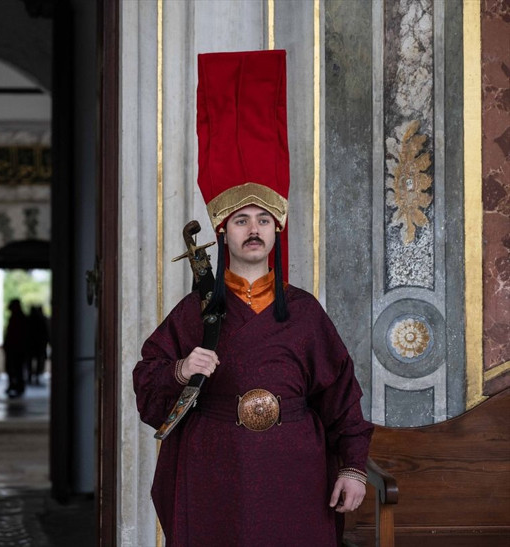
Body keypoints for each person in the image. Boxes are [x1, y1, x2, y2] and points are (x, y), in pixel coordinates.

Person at [132, 50, 373, 546]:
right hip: (213, 468)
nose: (253, 229)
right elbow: (147, 381)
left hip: (293, 472)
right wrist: (180, 370)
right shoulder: (197, 310)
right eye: (241, 220)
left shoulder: (303, 312)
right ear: (223, 233)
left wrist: (352, 467)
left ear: (277, 230)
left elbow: (341, 394)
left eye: (263, 219)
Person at [3, 298, 27, 398]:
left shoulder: (18, 318)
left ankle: (17, 386)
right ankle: (15, 385)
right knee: (16, 369)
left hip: (17, 348)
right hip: (16, 348)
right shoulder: (18, 318)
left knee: (17, 369)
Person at [26, 305, 49, 386]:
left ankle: (30, 377)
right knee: (39, 362)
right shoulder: (42, 320)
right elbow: (46, 333)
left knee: (30, 362)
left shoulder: (28, 320)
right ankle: (36, 376)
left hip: (31, 345)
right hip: (39, 346)